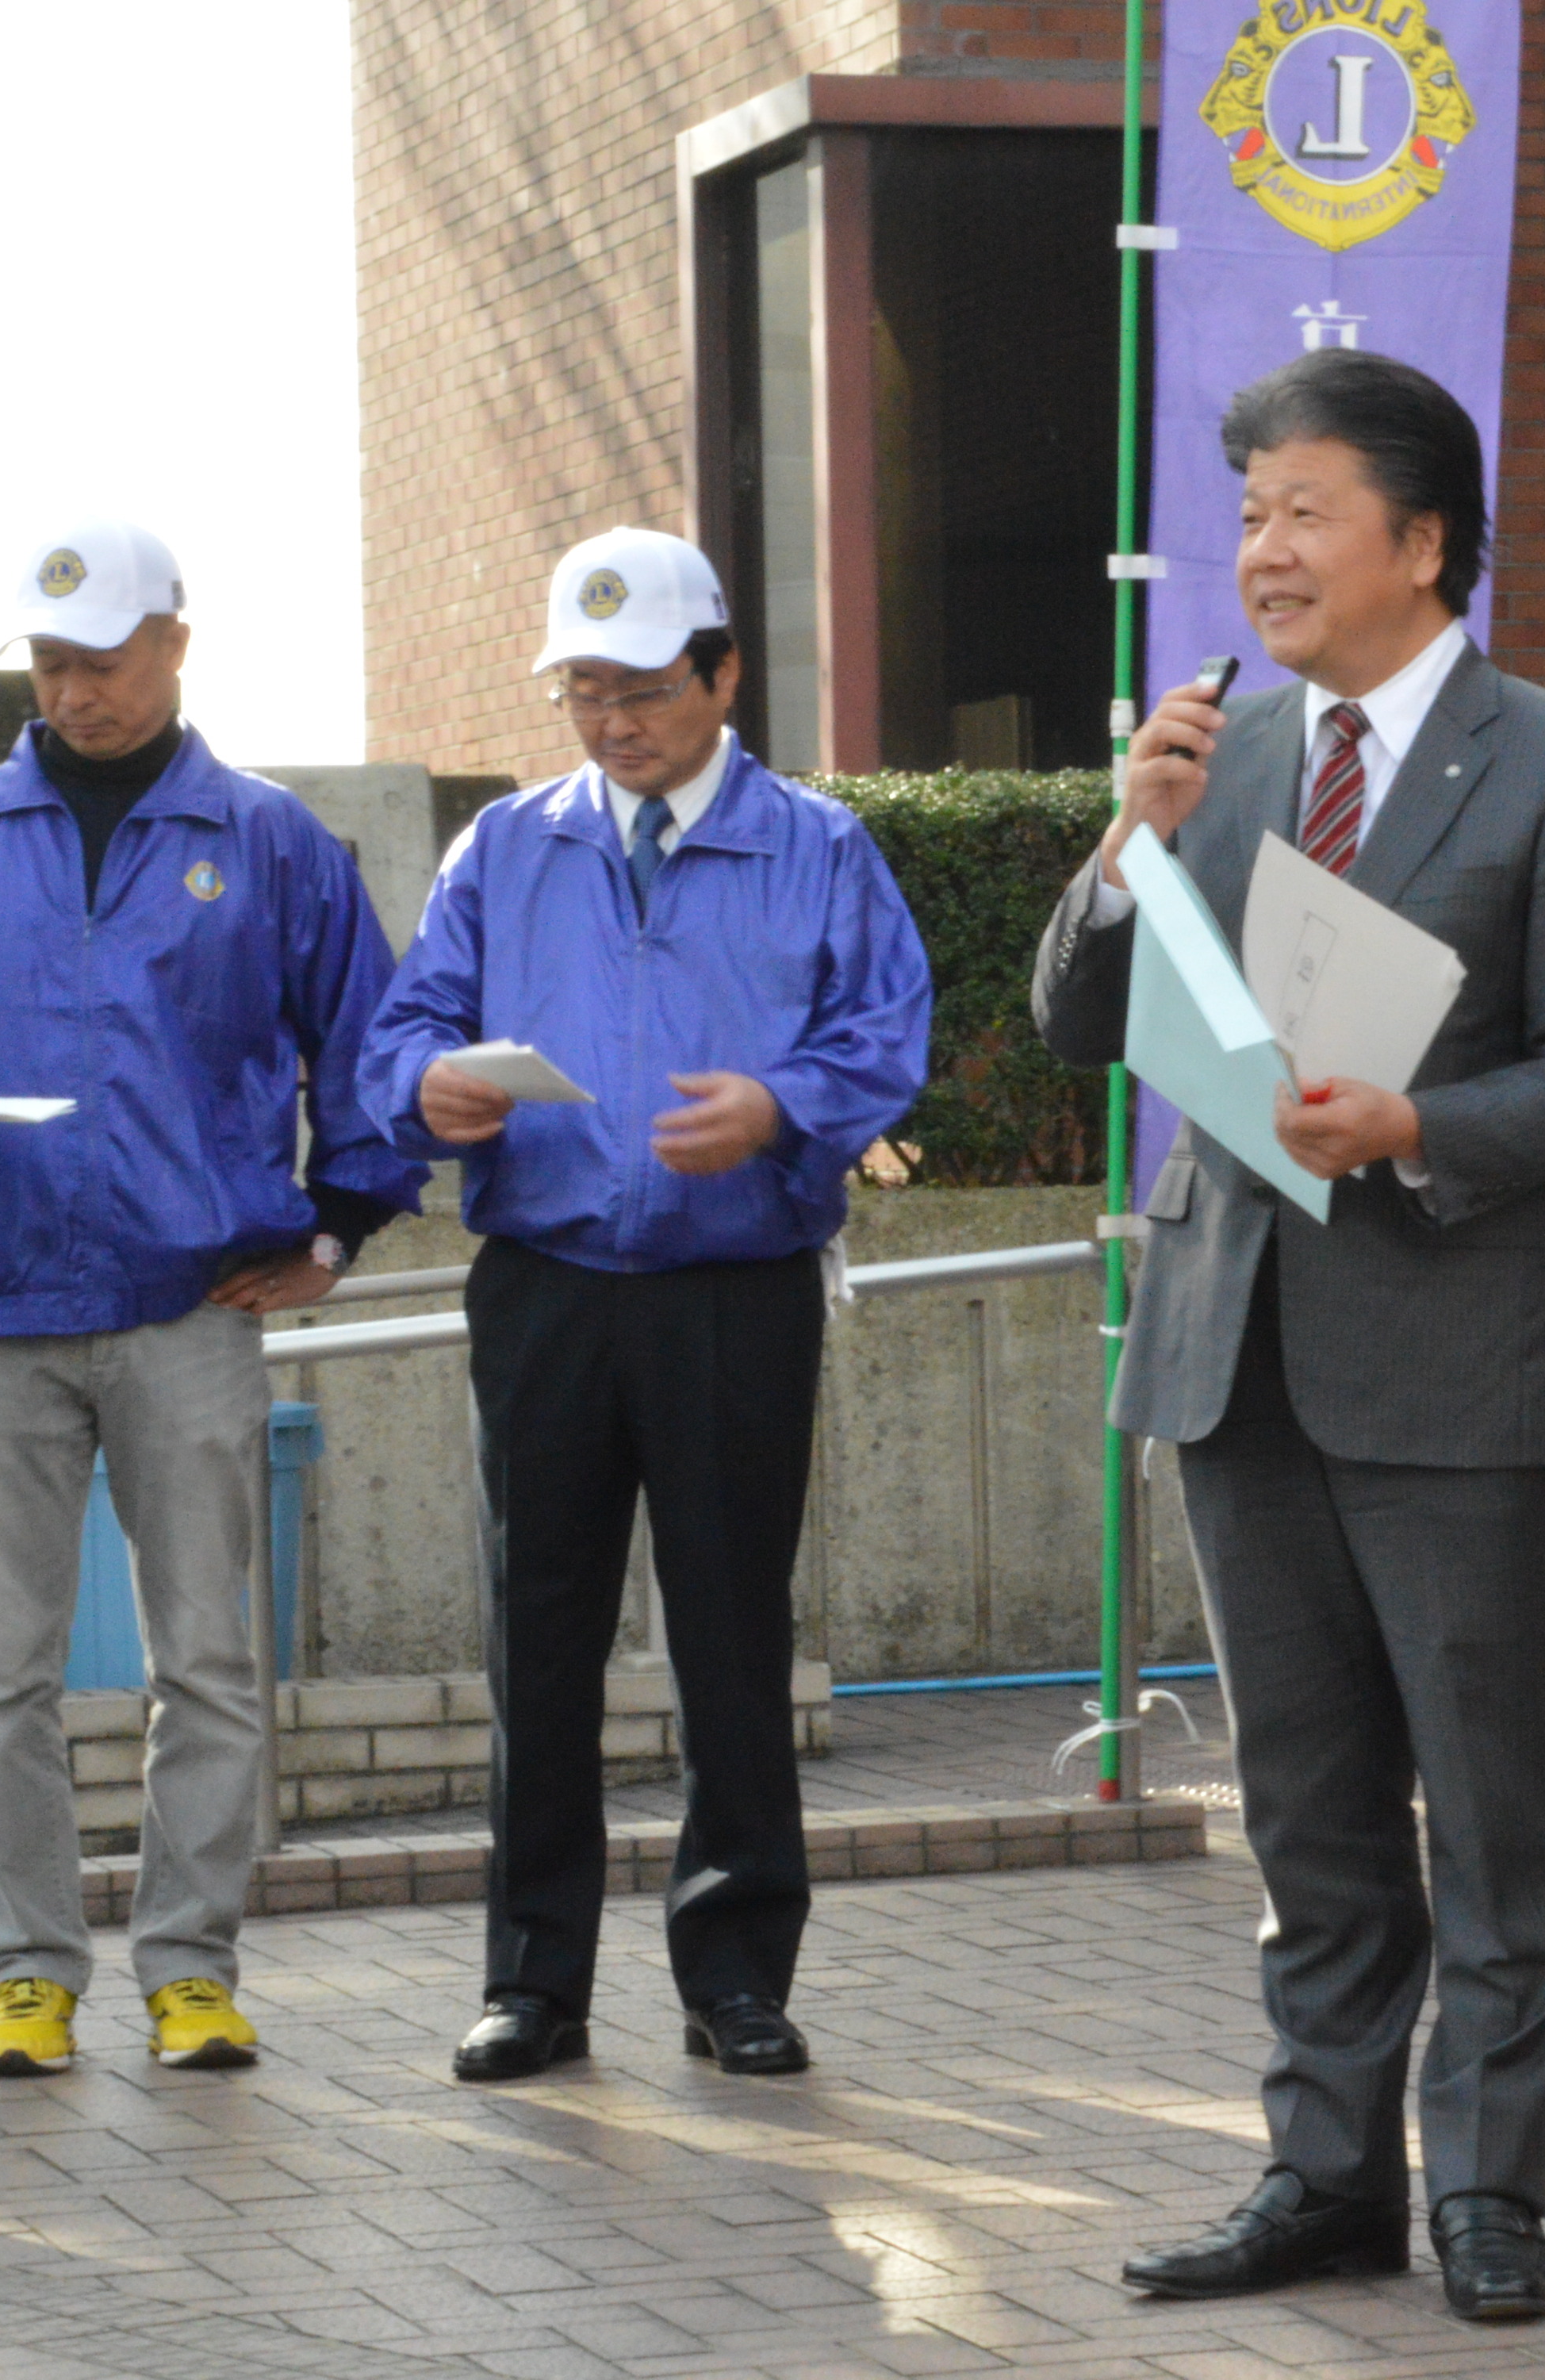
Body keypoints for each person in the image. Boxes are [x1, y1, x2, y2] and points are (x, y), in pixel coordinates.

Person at [1030, 349, 1545, 2324]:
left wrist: (1419, 1125)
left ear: (1421, 537)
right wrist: (1124, 845)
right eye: (1250, 517)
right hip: (1239, 1352)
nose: (1266, 550)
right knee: (1306, 1812)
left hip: (1455, 1362)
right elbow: (1076, 1025)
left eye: (1305, 512)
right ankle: (1324, 2174)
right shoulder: (1213, 751)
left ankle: (1489, 2190)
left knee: (1485, 1808)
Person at [0, 523, 424, 2079]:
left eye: (101, 658)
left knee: (205, 1660)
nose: (74, 689)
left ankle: (193, 1968)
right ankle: (27, 1974)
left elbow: (369, 1045)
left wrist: (344, 1227)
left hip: (188, 1303)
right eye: (48, 663)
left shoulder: (272, 841)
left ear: (175, 642)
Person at [359, 527, 930, 2091]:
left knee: (734, 1634)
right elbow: (406, 1024)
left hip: (737, 1292)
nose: (614, 725)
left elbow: (887, 1033)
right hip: (545, 1286)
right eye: (586, 695)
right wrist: (428, 1086)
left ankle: (738, 1972)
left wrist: (781, 1105)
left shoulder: (817, 848)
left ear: (724, 674)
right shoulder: (507, 849)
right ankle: (532, 1984)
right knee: (537, 1631)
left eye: (643, 692)